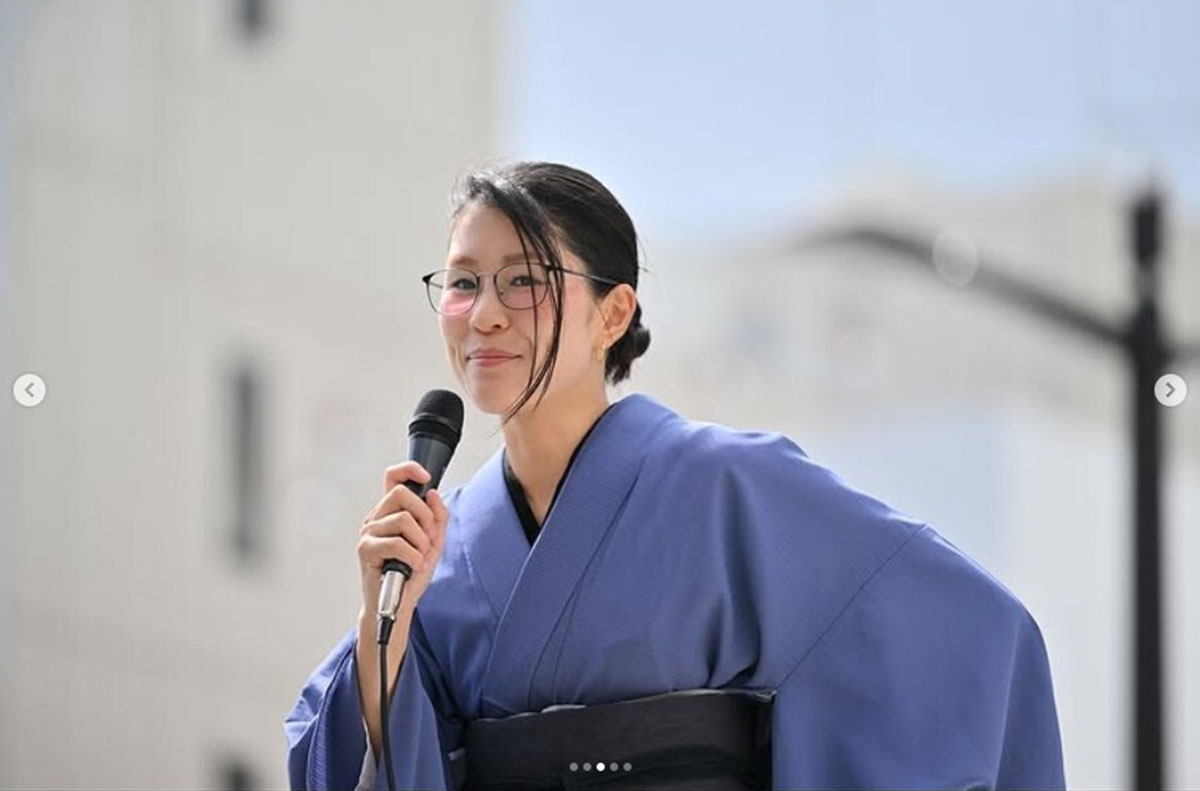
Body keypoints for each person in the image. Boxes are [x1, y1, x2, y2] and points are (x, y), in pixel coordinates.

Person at [284, 161, 1065, 790]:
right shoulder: (435, 553)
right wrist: (381, 629)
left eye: (524, 280)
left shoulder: (731, 487)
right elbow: (337, 753)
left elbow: (980, 639)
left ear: (614, 313)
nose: (484, 312)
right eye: (461, 282)